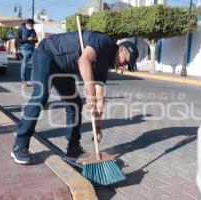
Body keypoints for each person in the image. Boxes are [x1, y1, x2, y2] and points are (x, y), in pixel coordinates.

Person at [10, 30, 139, 165]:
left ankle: (73, 147)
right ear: (122, 50)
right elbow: (84, 61)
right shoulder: (104, 41)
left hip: (63, 67)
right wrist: (90, 95)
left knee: (75, 104)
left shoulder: (104, 64)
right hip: (46, 53)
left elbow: (100, 100)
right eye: (126, 61)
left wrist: (98, 127)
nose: (123, 65)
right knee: (40, 96)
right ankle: (19, 146)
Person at [16, 19, 38, 87]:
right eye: (31, 24)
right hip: (24, 49)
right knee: (24, 65)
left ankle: (32, 80)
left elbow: (36, 40)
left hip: (32, 49)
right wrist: (27, 39)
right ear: (27, 23)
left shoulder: (33, 30)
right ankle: (24, 81)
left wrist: (33, 39)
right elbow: (17, 40)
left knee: (35, 65)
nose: (32, 26)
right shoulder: (21, 28)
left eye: (33, 25)